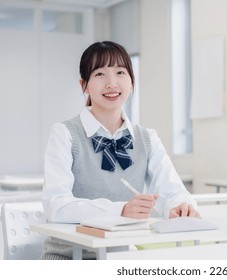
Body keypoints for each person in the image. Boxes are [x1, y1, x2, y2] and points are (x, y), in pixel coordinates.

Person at [41, 41, 199, 259]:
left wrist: (180, 206)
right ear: (84, 85)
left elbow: (172, 191)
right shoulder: (65, 134)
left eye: (120, 72)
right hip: (69, 257)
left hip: (120, 257)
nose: (111, 83)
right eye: (99, 74)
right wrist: (121, 210)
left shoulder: (147, 138)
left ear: (132, 82)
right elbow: (56, 205)